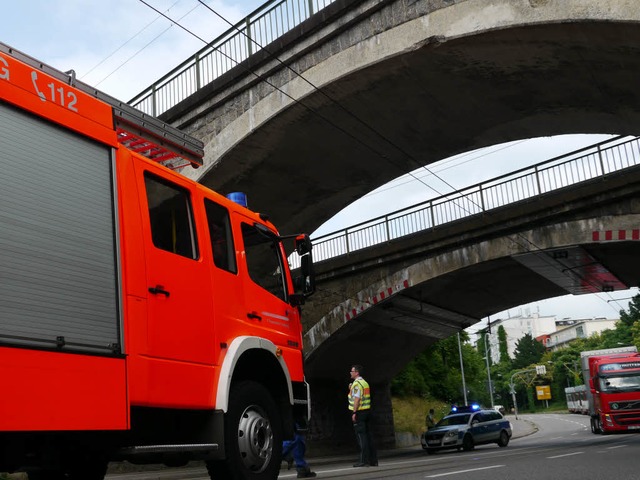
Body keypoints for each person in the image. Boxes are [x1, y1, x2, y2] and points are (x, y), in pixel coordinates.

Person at [348, 364, 378, 467]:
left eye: (352, 371)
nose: (350, 373)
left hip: (360, 412)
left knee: (361, 437)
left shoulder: (357, 384)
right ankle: (373, 460)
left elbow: (357, 399)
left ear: (357, 372)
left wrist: (354, 412)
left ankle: (363, 460)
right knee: (369, 436)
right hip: (367, 411)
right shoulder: (364, 383)